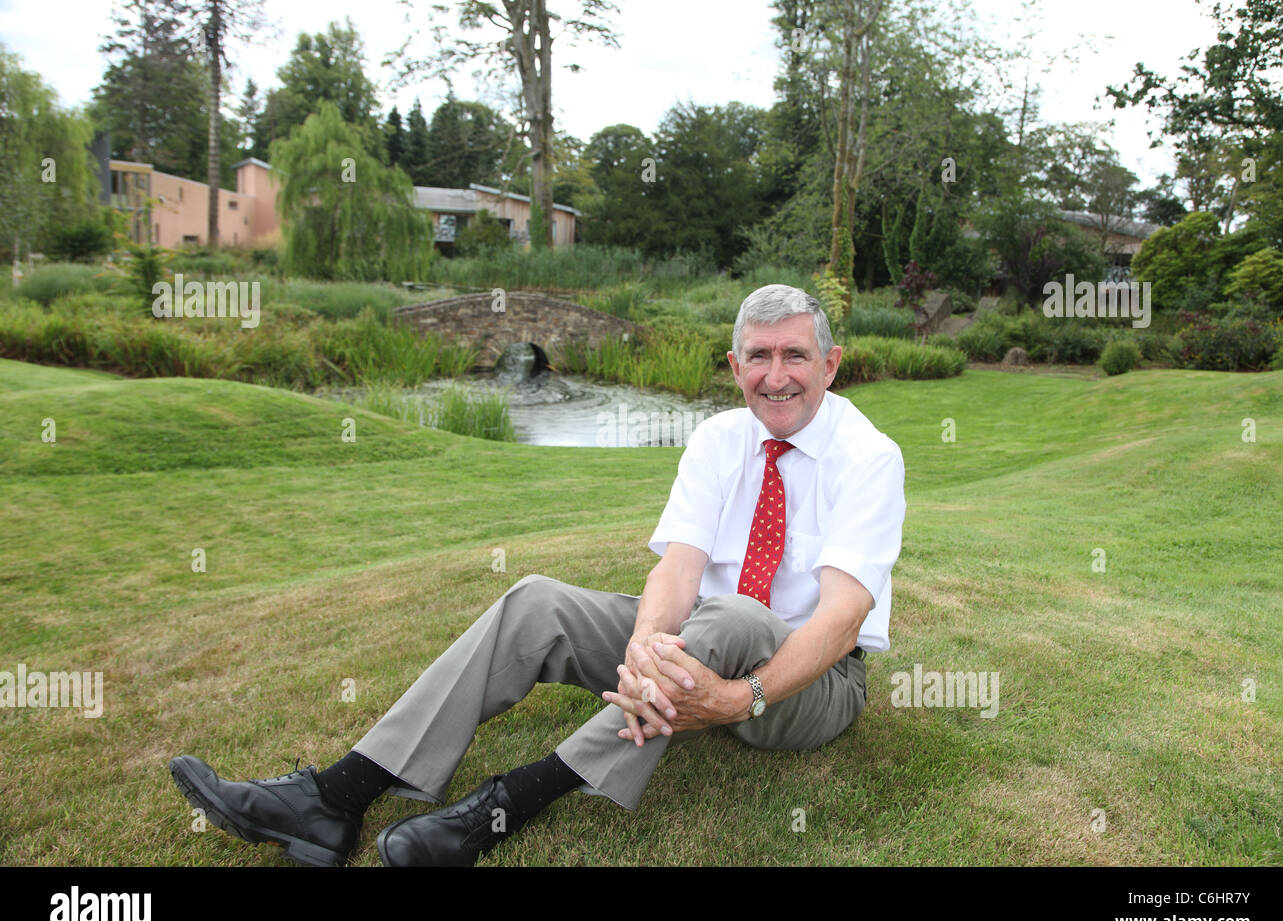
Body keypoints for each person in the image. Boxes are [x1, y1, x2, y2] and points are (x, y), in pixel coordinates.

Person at [169, 283, 906, 867]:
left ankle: (505, 805)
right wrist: (646, 644)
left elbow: (841, 618)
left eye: (795, 356)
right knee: (537, 601)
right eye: (758, 357)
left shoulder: (869, 457)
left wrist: (741, 698)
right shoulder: (718, 439)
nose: (776, 376)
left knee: (736, 615)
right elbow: (679, 568)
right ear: (735, 366)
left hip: (808, 686)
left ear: (830, 365)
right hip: (696, 646)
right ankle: (335, 798)